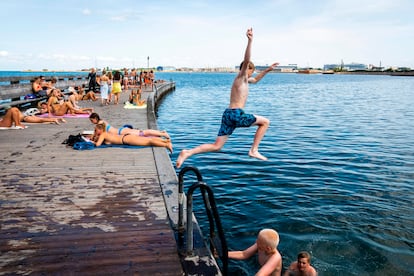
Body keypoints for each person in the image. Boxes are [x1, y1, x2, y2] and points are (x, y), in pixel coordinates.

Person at [176, 28, 279, 168]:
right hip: (236, 114)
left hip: (228, 115)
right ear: (246, 69)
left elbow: (256, 80)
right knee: (265, 122)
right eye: (251, 71)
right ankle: (253, 150)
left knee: (217, 146)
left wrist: (267, 70)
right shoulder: (241, 76)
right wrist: (250, 41)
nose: (252, 74)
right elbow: (247, 60)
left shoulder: (245, 80)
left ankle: (187, 153)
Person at [92, 123, 173, 153]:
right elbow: (108, 142)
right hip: (126, 137)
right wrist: (95, 137)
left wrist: (93, 142)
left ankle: (166, 145)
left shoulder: (103, 134)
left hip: (126, 139)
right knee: (148, 139)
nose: (94, 131)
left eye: (95, 130)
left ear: (100, 130)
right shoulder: (106, 134)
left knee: (149, 141)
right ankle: (165, 141)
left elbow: (98, 145)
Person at [89, 112, 169, 139]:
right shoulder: (103, 121)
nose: (92, 122)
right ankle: (160, 132)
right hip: (121, 131)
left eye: (92, 120)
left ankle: (162, 134)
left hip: (121, 132)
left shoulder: (99, 124)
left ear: (95, 118)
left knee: (143, 133)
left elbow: (95, 135)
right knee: (142, 133)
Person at [0, 107, 66, 128]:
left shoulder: (8, 116)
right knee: (40, 120)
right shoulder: (10, 114)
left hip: (26, 116)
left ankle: (55, 119)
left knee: (14, 109)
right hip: (25, 118)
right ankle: (18, 124)